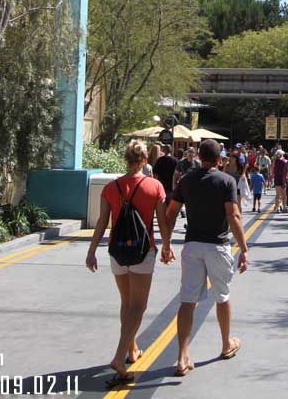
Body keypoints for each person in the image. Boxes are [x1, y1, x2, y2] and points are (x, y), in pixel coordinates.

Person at [86, 141, 171, 388]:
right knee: (139, 305)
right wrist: (166, 245)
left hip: (117, 251)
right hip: (142, 251)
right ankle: (119, 356)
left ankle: (132, 350)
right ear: (145, 159)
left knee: (127, 302)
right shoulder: (154, 185)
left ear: (126, 159)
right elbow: (162, 221)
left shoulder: (111, 188)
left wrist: (91, 252)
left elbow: (103, 222)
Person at [165, 139, 249, 377]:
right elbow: (233, 216)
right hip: (218, 245)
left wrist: (168, 243)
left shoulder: (186, 180)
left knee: (187, 300)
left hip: (192, 245)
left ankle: (182, 356)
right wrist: (244, 249)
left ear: (200, 156)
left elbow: (171, 213)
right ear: (219, 158)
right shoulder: (226, 181)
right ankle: (225, 344)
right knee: (222, 297)